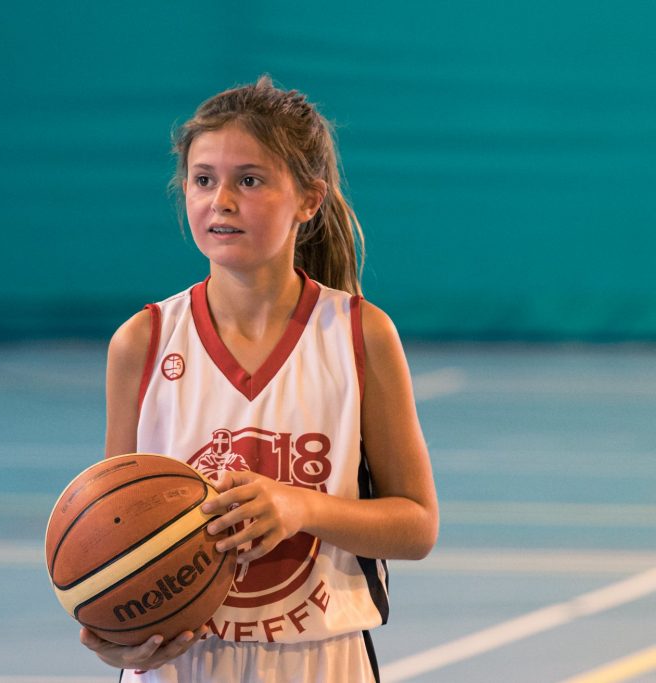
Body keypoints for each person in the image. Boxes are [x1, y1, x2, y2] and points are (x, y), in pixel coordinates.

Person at [81, 76, 438, 683]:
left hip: (321, 661)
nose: (221, 201)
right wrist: (118, 639)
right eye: (203, 179)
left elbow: (417, 525)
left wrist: (300, 506)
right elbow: (115, 530)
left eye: (249, 180)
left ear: (309, 199)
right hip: (181, 664)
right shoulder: (142, 342)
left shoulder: (358, 334)